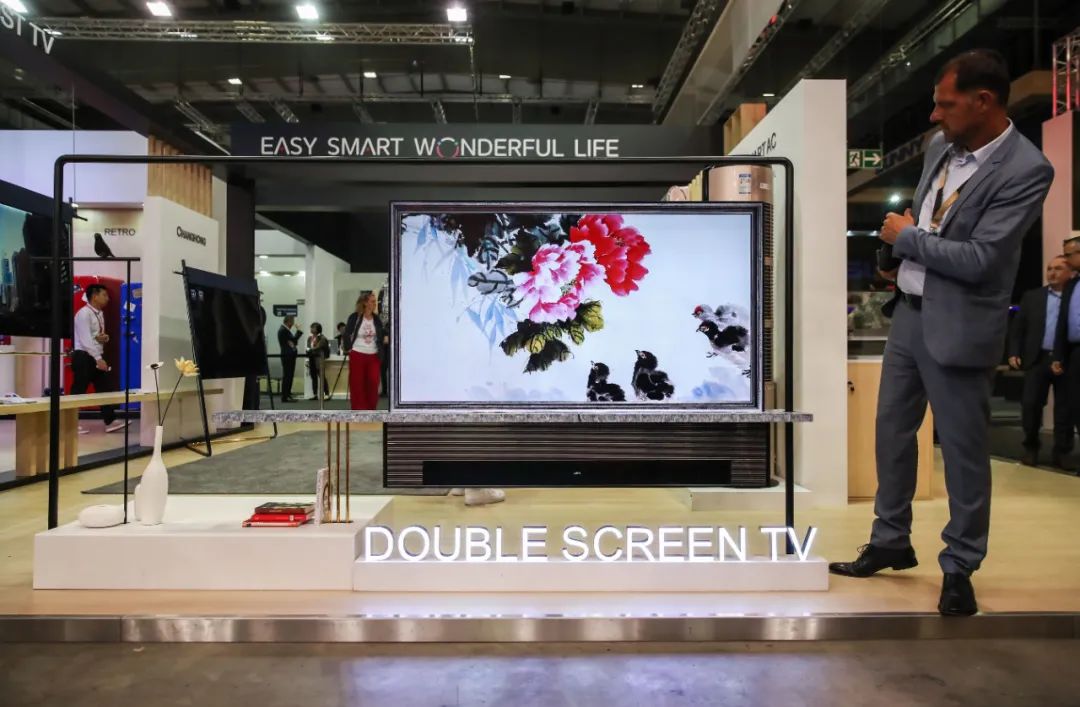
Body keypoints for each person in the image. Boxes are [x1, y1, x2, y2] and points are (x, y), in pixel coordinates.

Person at [829, 50, 1055, 617]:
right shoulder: (939, 148)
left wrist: (905, 239)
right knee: (891, 434)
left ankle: (960, 565)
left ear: (984, 101)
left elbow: (981, 259)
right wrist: (894, 258)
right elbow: (929, 221)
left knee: (962, 450)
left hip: (962, 325)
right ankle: (890, 540)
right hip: (908, 315)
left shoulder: (1027, 169)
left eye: (946, 104)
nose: (934, 115)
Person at [1008, 256, 1074, 469]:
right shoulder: (1033, 297)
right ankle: (1031, 448)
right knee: (1031, 405)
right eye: (1049, 268)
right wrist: (1014, 352)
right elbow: (1018, 328)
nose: (1052, 272)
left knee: (1065, 409)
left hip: (1066, 360)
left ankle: (1062, 452)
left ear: (1070, 272)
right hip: (1037, 359)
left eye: (1058, 268)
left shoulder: (1075, 297)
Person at [71, 283, 126, 432]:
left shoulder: (99, 313)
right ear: (95, 297)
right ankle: (70, 425)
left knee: (104, 388)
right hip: (84, 356)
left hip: (95, 355)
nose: (107, 298)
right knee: (78, 391)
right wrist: (98, 358)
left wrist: (103, 338)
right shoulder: (84, 314)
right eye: (104, 295)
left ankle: (110, 421)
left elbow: (93, 336)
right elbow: (85, 340)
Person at [1051, 236, 1080, 477]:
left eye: (1069, 255)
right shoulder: (1071, 285)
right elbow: (1063, 322)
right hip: (1074, 353)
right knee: (1075, 406)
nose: (1067, 260)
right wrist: (1058, 355)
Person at [343, 292, 385, 410]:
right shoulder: (354, 317)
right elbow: (347, 333)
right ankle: (358, 409)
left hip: (374, 355)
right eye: (372, 301)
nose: (375, 304)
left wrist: (384, 339)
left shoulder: (377, 319)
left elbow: (381, 335)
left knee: (373, 382)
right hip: (357, 353)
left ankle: (371, 409)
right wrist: (348, 348)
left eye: (375, 301)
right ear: (365, 303)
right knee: (357, 383)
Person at [277, 315, 302, 403]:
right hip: (287, 356)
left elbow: (293, 341)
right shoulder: (283, 330)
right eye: (292, 321)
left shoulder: (286, 330)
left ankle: (288, 394)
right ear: (288, 321)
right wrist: (298, 330)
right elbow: (294, 340)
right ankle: (285, 396)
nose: (293, 324)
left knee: (289, 375)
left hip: (289, 356)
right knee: (287, 376)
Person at [306, 322, 331, 401]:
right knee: (313, 377)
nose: (311, 329)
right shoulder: (309, 338)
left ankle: (326, 394)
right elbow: (308, 347)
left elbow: (319, 346)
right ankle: (315, 394)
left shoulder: (322, 338)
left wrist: (311, 350)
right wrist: (308, 351)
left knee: (322, 377)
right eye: (311, 327)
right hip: (311, 359)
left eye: (313, 327)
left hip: (319, 359)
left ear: (318, 329)